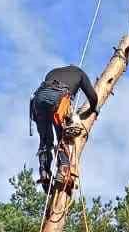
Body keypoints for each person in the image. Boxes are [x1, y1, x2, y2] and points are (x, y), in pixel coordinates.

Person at [30, 63, 99, 191]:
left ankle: (44, 172)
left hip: (39, 99)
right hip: (59, 97)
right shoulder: (79, 73)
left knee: (45, 140)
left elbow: (47, 89)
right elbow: (93, 97)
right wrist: (94, 108)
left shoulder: (52, 72)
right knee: (64, 135)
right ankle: (64, 169)